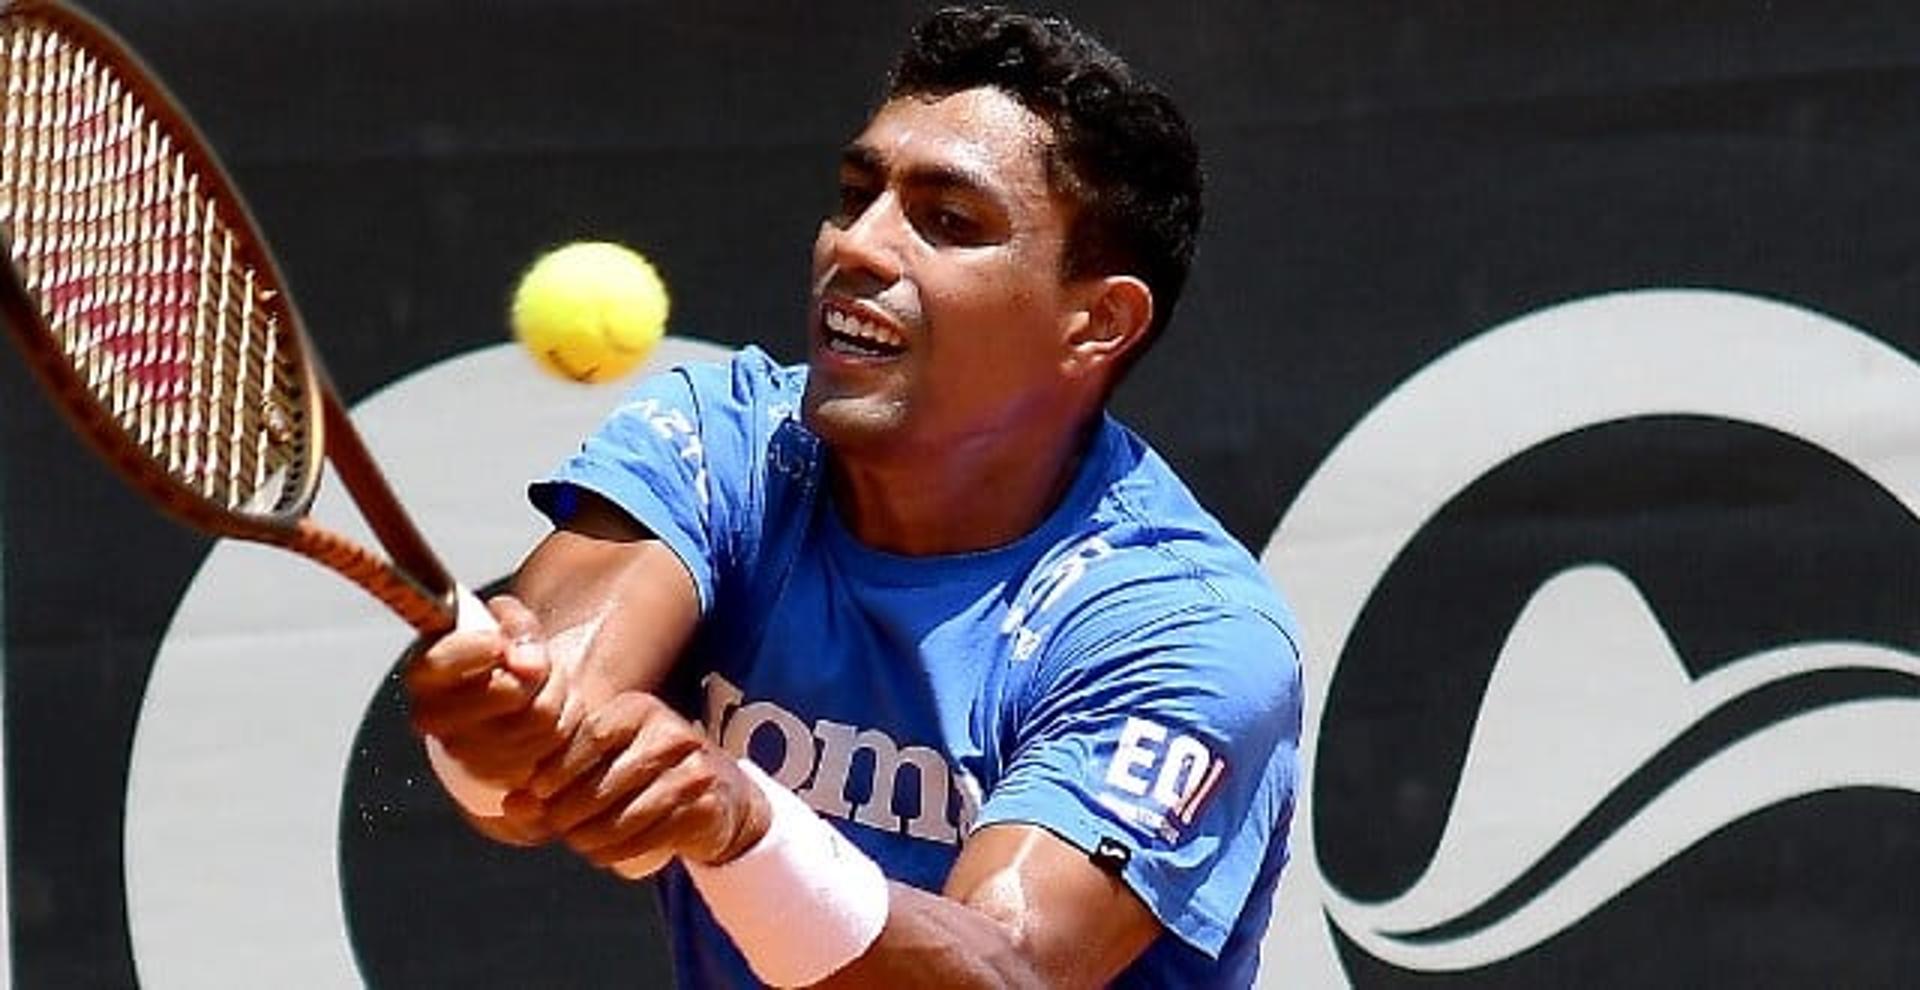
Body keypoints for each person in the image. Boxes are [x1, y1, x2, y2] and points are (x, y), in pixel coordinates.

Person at [405, 6, 1303, 987]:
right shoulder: (724, 445)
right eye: (855, 192)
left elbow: (1010, 971)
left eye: (948, 221)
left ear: (1097, 323)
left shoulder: (1182, 632)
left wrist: (743, 822)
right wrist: (498, 738)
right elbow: (538, 755)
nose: (860, 246)